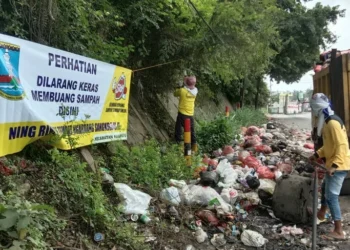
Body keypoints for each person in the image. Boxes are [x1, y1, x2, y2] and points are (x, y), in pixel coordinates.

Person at [309, 93, 350, 240]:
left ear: (318, 109)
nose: (313, 113)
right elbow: (328, 147)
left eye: (314, 109)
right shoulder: (327, 122)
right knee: (325, 189)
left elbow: (342, 146)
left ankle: (339, 230)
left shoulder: (332, 123)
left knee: (331, 196)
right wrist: (317, 155)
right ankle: (321, 214)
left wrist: (334, 165)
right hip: (333, 163)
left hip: (339, 165)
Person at [174, 75, 198, 152]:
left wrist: (181, 85)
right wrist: (186, 82)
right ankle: (194, 148)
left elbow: (175, 93)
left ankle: (178, 146)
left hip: (182, 114)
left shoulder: (182, 91)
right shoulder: (195, 91)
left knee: (178, 131)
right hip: (190, 115)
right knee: (192, 132)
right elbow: (189, 88)